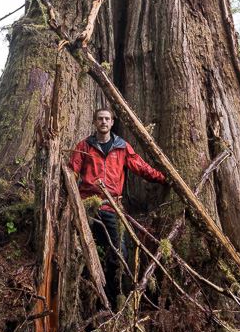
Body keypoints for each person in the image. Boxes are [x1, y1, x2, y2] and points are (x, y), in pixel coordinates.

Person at [68, 106, 167, 305]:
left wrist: (163, 178)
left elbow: (141, 167)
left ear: (112, 123)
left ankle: (112, 301)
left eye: (107, 119)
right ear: (94, 122)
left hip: (113, 208)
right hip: (88, 208)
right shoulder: (84, 146)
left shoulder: (122, 147)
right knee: (84, 252)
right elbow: (72, 172)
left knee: (120, 254)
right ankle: (86, 298)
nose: (103, 122)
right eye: (100, 119)